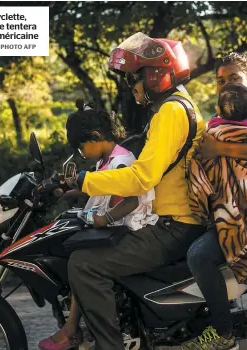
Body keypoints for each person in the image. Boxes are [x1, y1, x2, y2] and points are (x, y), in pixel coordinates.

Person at [40, 32, 207, 350]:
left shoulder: (172, 112)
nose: (133, 86)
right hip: (171, 220)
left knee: (84, 264)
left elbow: (141, 178)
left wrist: (83, 181)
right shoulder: (171, 109)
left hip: (173, 226)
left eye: (136, 78)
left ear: (157, 73)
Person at [182, 54, 247, 350]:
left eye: (235, 80)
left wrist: (219, 148)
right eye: (221, 80)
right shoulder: (215, 122)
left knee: (198, 255)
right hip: (223, 208)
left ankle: (222, 332)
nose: (227, 85)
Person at [38, 100, 159, 350]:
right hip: (116, 230)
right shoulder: (105, 161)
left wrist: (108, 218)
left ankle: (88, 334)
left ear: (95, 137)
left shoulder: (122, 160)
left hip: (130, 230)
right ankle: (73, 326)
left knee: (82, 263)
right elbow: (102, 188)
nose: (81, 155)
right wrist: (66, 192)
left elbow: (131, 198)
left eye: (81, 148)